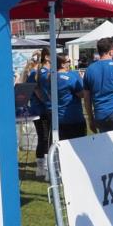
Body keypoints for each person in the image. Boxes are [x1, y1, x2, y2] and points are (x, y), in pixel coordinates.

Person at [38, 54, 87, 141]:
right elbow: (82, 94)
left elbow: (43, 93)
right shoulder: (70, 78)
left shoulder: (48, 77)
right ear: (62, 64)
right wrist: (81, 79)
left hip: (57, 119)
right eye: (68, 61)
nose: (70, 63)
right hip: (73, 118)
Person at [28, 48, 51, 177]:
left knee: (45, 138)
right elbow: (35, 90)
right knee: (45, 138)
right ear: (46, 57)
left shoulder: (45, 71)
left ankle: (43, 168)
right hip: (40, 110)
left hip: (45, 109)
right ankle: (44, 169)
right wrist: (47, 101)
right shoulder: (36, 72)